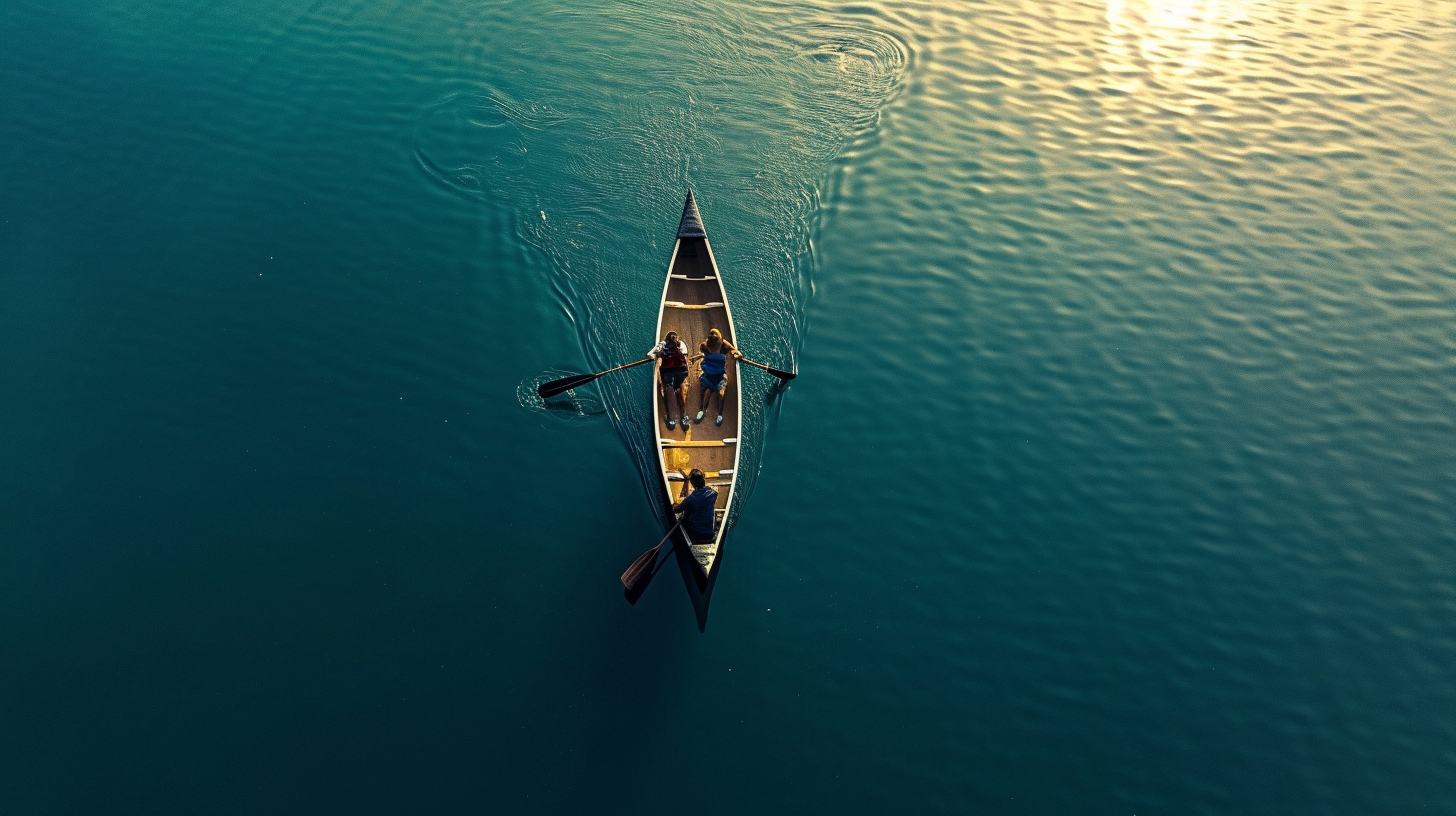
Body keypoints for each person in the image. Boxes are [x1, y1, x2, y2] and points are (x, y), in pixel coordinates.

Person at [689, 328, 741, 426]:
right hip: (708, 375)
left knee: (721, 394)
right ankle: (702, 411)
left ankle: (719, 415)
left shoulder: (723, 346)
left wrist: (737, 354)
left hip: (720, 376)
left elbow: (734, 350)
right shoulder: (704, 346)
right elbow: (702, 352)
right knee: (706, 394)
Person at [648, 330, 690, 429]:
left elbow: (650, 354)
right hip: (675, 372)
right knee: (675, 390)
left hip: (674, 372)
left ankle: (672, 418)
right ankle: (681, 416)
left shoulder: (672, 345)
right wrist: (657, 355)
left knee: (671, 390)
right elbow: (650, 354)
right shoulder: (676, 344)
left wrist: (656, 355)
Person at [673, 468, 718, 543]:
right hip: (710, 535)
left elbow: (676, 510)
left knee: (684, 516)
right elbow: (711, 490)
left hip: (695, 535)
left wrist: (675, 504)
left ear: (692, 483)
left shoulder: (691, 499)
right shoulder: (713, 493)